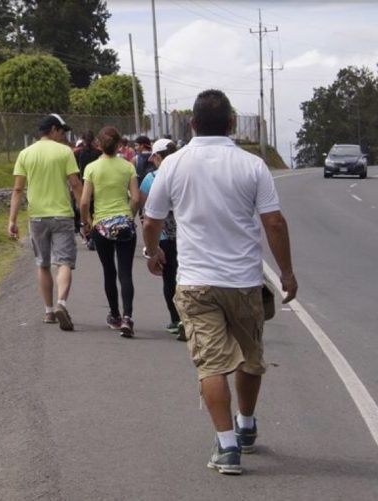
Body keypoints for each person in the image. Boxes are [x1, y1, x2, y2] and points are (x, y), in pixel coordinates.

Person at [142, 89, 297, 476]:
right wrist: (288, 273)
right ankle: (246, 425)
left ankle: (227, 447)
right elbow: (274, 222)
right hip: (244, 282)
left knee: (211, 365)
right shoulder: (253, 165)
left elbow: (151, 220)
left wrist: (152, 253)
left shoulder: (172, 165)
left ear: (191, 124)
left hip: (195, 283)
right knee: (249, 356)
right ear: (231, 124)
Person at [9, 113, 83, 331]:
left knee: (42, 264)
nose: (63, 135)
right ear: (53, 129)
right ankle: (62, 303)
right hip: (62, 215)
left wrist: (12, 220)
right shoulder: (64, 152)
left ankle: (49, 311)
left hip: (37, 216)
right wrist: (85, 215)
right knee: (64, 262)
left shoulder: (25, 154)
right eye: (62, 131)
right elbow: (76, 185)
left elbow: (18, 189)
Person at [79, 126, 140, 336]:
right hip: (125, 223)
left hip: (102, 225)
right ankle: (128, 317)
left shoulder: (92, 168)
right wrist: (129, 216)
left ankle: (114, 315)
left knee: (109, 272)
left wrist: (87, 222)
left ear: (99, 144)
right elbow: (136, 198)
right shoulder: (128, 167)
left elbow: (85, 201)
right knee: (125, 272)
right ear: (119, 144)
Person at [139, 138, 184, 340]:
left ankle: (175, 319)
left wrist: (150, 247)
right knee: (187, 277)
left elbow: (144, 209)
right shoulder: (186, 173)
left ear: (157, 157)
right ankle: (188, 318)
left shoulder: (151, 178)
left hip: (163, 236)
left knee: (169, 277)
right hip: (187, 235)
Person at [73, 130, 102, 249]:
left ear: (83, 140)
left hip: (83, 183)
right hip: (97, 184)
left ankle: (88, 236)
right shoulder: (99, 153)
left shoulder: (78, 153)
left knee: (85, 210)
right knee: (95, 211)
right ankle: (96, 235)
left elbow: (75, 170)